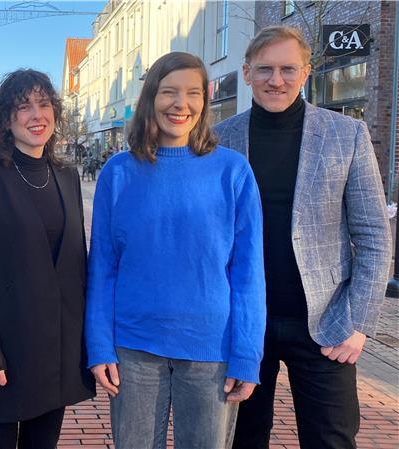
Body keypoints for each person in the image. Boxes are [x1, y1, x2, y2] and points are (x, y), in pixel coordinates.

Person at [214, 26, 392, 449]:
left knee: (330, 439)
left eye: (287, 69)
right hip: (242, 324)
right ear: (246, 73)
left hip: (326, 323)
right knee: (241, 438)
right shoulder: (219, 140)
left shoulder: (346, 134)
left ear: (306, 71)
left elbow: (373, 234)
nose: (276, 80)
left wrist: (359, 323)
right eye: (265, 70)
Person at [85, 52, 266, 449]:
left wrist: (247, 354)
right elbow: (102, 266)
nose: (180, 104)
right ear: (151, 97)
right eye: (169, 91)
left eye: (192, 93)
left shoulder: (232, 171)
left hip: (210, 349)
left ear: (205, 100)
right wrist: (98, 345)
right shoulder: (118, 172)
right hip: (133, 348)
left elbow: (248, 272)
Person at [0, 69, 95, 449]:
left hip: (55, 354)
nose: (36, 115)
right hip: (3, 354)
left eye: (44, 104)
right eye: (23, 107)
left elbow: (74, 265)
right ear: (6, 119)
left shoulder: (65, 175)